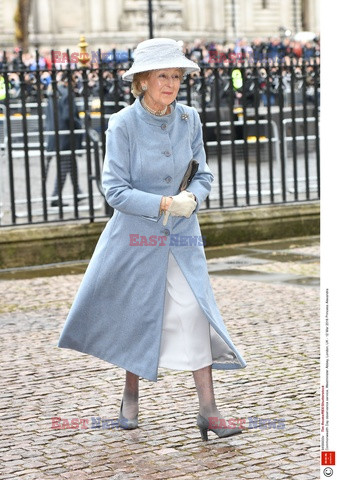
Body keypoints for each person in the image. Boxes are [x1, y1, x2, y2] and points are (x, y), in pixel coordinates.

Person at [57, 38, 246, 441]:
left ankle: (209, 411)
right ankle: (130, 393)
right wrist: (163, 202)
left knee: (196, 313)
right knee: (140, 312)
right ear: (142, 80)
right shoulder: (122, 124)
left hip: (183, 239)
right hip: (137, 238)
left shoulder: (189, 119)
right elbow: (115, 190)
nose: (171, 83)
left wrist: (193, 198)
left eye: (177, 75)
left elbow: (204, 173)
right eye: (163, 75)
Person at [45, 73, 84, 207]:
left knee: (70, 164)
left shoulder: (53, 92)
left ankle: (77, 191)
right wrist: (80, 125)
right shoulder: (66, 93)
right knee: (65, 166)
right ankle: (55, 196)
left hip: (56, 134)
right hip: (66, 136)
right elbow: (68, 116)